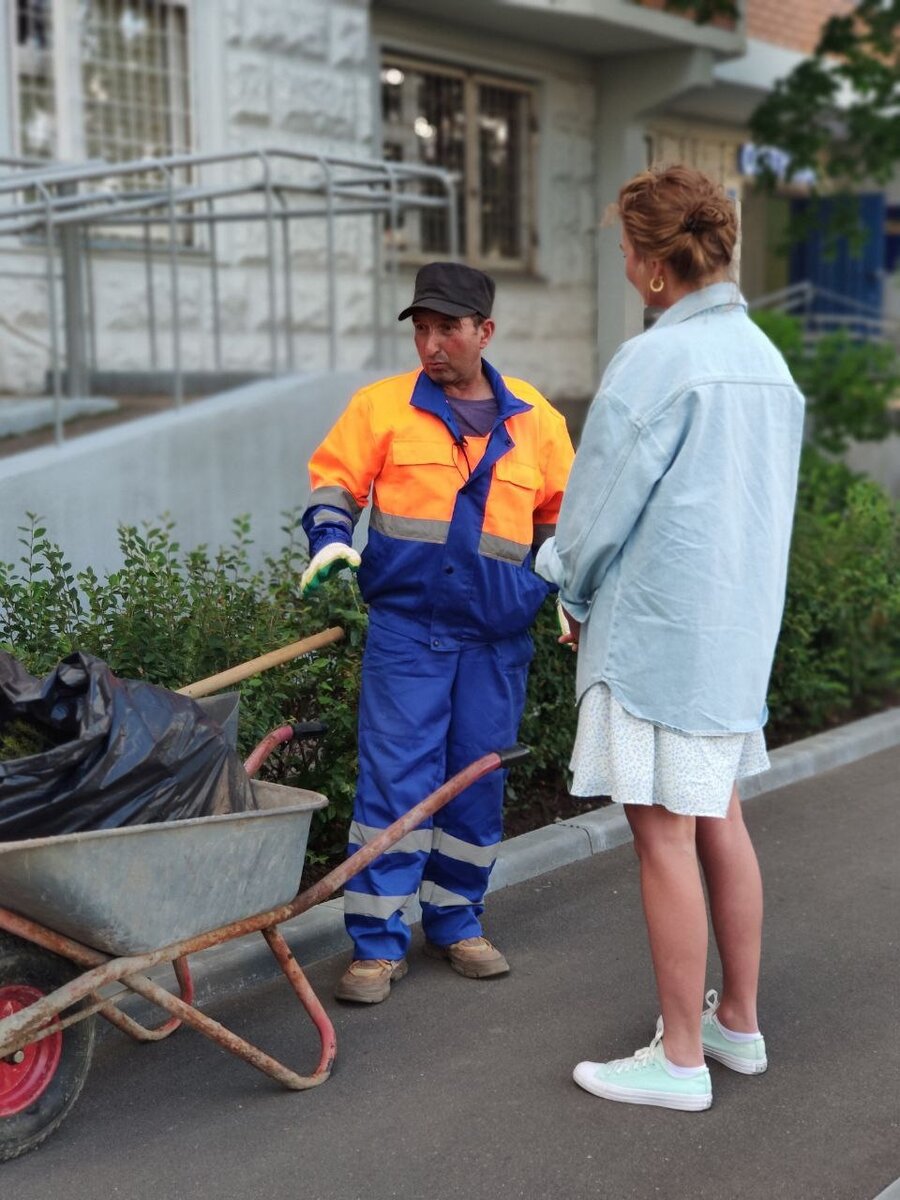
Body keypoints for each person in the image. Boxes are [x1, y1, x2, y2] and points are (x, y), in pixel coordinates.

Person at [536, 166, 805, 1111]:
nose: (623, 267)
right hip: (734, 638)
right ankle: (738, 1025)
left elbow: (595, 513)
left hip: (658, 640)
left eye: (623, 253)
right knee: (719, 819)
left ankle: (681, 1059)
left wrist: (564, 582)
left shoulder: (655, 363)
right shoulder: (769, 362)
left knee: (662, 837)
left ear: (654, 269)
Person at [300, 261, 574, 1003]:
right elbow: (333, 483)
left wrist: (562, 592)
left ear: (483, 331)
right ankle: (377, 945)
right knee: (394, 785)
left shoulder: (539, 423)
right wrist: (329, 535)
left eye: (446, 328)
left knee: (476, 785)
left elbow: (560, 522)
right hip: (408, 634)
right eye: (421, 328)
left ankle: (457, 923)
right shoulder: (381, 409)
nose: (431, 344)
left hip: (495, 642)